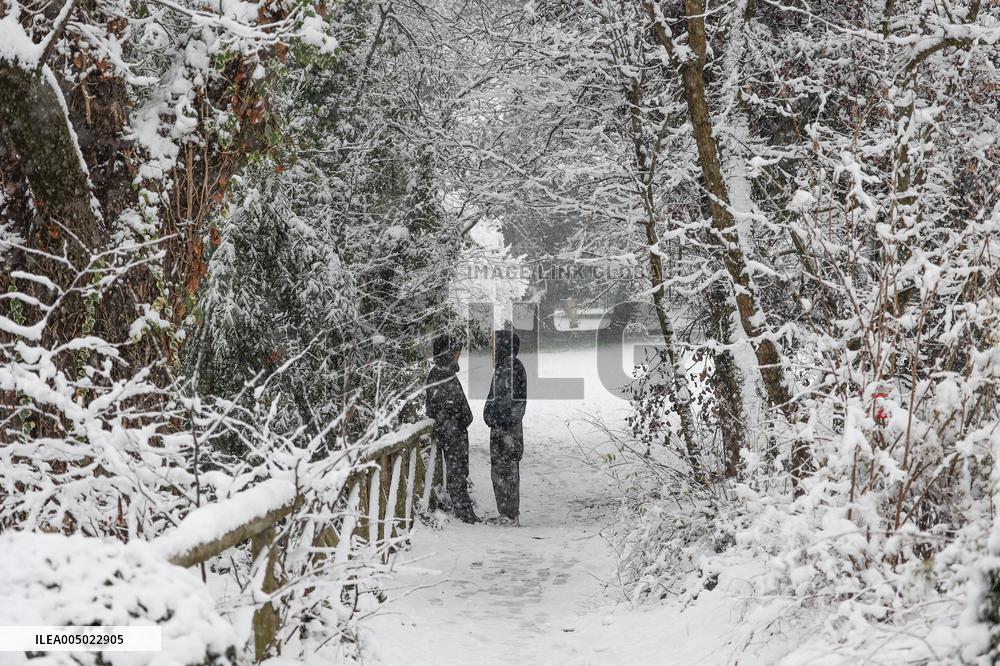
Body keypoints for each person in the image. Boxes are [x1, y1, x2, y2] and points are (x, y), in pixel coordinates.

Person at [425, 335, 480, 524]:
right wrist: (459, 420)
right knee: (457, 473)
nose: (459, 357)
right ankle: (463, 510)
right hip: (451, 432)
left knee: (459, 471)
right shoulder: (442, 376)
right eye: (456, 354)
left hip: (453, 430)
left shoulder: (443, 374)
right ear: (448, 354)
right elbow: (454, 406)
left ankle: (463, 508)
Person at [483, 330, 527, 525]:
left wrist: (497, 418)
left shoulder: (510, 366)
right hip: (504, 427)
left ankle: (509, 514)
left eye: (495, 345)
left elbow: (510, 401)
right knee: (502, 470)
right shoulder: (506, 366)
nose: (492, 350)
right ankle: (507, 513)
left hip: (506, 429)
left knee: (505, 471)